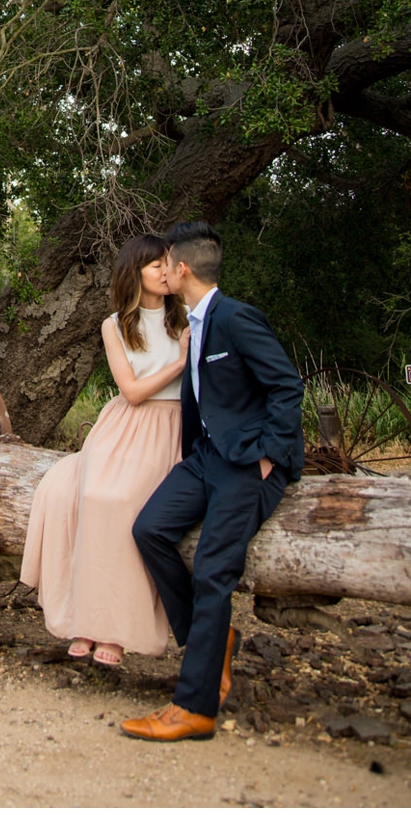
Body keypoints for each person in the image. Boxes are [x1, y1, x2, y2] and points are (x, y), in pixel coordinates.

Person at [122, 219, 304, 743]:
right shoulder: (193, 323)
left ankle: (193, 708)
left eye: (167, 262)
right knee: (149, 530)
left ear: (182, 269)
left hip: (248, 464)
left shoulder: (237, 318)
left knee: (212, 570)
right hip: (205, 458)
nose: (162, 268)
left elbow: (287, 387)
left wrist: (269, 456)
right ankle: (213, 640)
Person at [20, 234, 190, 668]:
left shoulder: (187, 318)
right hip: (124, 424)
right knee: (90, 496)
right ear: (136, 272)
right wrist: (178, 363)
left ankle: (117, 631)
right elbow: (130, 391)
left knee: (124, 502)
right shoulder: (114, 325)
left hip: (169, 426)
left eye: (169, 265)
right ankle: (86, 622)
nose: (166, 272)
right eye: (157, 266)